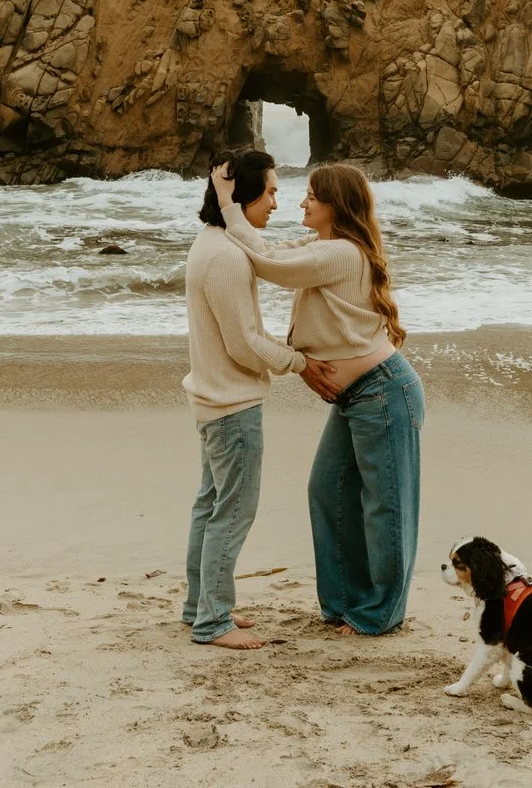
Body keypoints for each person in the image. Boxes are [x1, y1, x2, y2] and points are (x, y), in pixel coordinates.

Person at [211, 160, 422, 636]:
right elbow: (268, 251)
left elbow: (269, 266)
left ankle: (379, 614)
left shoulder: (342, 253)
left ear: (335, 205)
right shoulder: (323, 246)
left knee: (386, 506)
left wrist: (227, 205)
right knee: (328, 492)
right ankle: (345, 603)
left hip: (384, 392)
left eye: (311, 195)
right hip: (360, 397)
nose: (301, 202)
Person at [180, 148, 306, 649]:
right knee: (231, 512)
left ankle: (202, 609)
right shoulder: (226, 258)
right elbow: (244, 344)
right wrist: (299, 362)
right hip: (232, 406)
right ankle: (212, 622)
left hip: (214, 399)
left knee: (210, 507)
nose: (277, 202)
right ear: (246, 192)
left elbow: (266, 249)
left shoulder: (213, 242)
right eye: (272, 191)